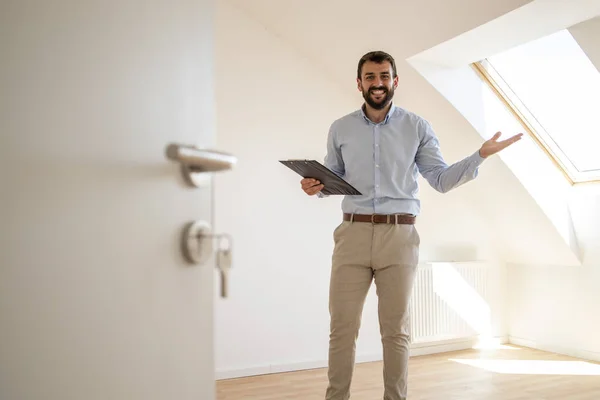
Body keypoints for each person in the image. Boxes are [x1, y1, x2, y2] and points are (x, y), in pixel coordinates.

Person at [300, 51, 523, 400]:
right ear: (359, 83)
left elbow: (441, 179)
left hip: (399, 237)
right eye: (371, 77)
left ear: (395, 81)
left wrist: (479, 155)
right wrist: (316, 186)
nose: (378, 83)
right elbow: (334, 179)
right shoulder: (340, 128)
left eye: (385, 76)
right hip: (352, 234)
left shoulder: (417, 127)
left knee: (396, 331)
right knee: (342, 329)